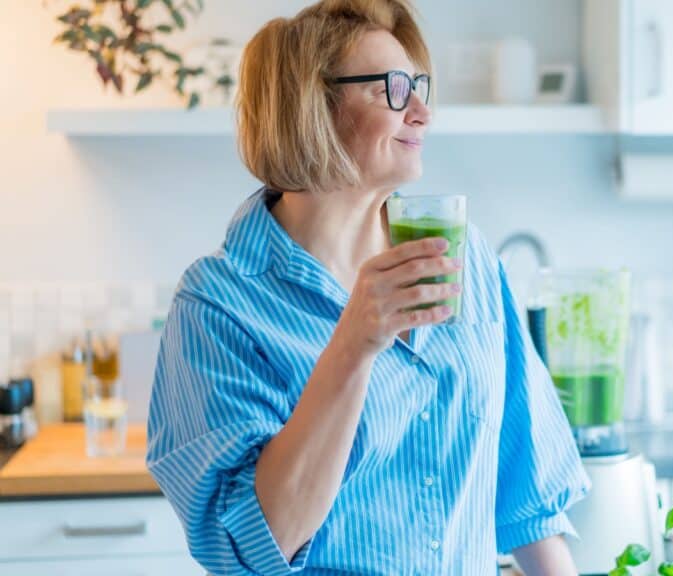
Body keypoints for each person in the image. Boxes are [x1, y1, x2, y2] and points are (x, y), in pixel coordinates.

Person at [145, 1, 589, 574]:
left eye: (420, 87)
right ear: (312, 107)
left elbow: (529, 496)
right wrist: (353, 345)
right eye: (394, 89)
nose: (423, 113)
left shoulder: (465, 258)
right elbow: (254, 547)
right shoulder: (219, 305)